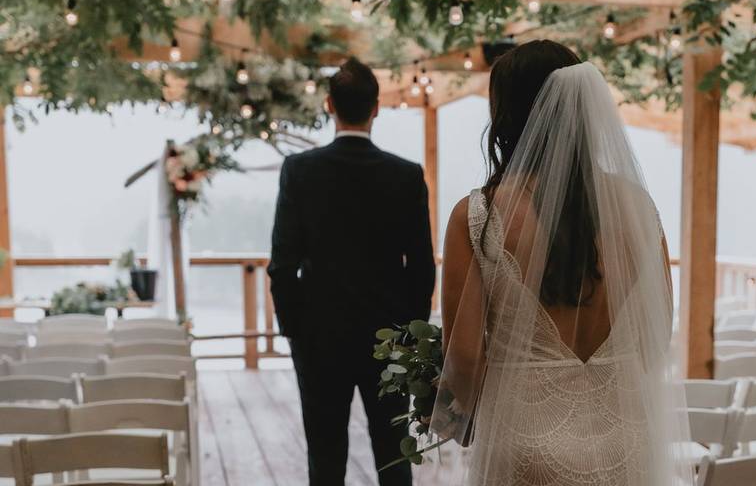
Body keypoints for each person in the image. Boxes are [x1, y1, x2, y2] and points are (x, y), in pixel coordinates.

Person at [432, 40, 692, 485]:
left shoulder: (479, 214)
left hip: (525, 439)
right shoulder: (637, 206)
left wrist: (456, 423)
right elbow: (655, 337)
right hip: (624, 440)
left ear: (507, 114)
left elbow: (466, 359)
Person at [268, 58, 436, 486]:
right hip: (388, 342)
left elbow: (282, 265)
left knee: (324, 457)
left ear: (329, 105)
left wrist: (295, 332)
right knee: (393, 459)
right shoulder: (406, 175)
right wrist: (407, 338)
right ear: (376, 108)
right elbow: (420, 268)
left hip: (319, 341)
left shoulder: (299, 172)